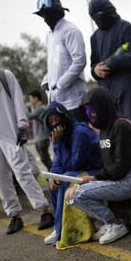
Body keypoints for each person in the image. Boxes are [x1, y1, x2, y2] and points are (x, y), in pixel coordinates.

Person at [0, 39, 54, 235]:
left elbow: (17, 102)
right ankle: (14, 215)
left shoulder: (5, 76)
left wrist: (22, 126)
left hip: (10, 132)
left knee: (23, 172)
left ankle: (44, 210)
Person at [72, 87, 131, 245]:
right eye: (88, 112)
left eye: (92, 111)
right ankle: (108, 223)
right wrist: (94, 179)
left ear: (102, 107)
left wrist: (94, 178)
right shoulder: (103, 131)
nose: (90, 115)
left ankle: (115, 223)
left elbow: (121, 167)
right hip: (116, 180)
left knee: (78, 194)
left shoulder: (120, 127)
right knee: (74, 193)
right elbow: (109, 167)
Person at [42, 102, 103, 246]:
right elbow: (57, 163)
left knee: (66, 178)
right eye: (51, 123)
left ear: (64, 117)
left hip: (96, 170)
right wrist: (53, 175)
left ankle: (60, 229)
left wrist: (57, 144)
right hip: (80, 170)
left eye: (57, 120)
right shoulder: (62, 136)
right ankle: (59, 226)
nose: (55, 125)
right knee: (54, 182)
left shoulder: (79, 133)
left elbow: (74, 163)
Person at [89, 0, 131, 129]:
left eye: (100, 15)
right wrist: (95, 71)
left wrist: (113, 62)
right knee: (116, 136)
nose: (98, 19)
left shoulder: (125, 28)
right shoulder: (95, 38)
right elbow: (93, 64)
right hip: (108, 97)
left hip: (129, 94)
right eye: (94, 17)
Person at [33, 0, 87, 122]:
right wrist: (47, 80)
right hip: (57, 102)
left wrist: (60, 84)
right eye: (43, 15)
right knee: (61, 140)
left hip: (74, 101)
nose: (46, 18)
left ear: (58, 12)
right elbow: (54, 64)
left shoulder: (70, 31)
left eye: (48, 14)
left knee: (78, 138)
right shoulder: (50, 36)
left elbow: (79, 61)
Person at [27, 90, 51, 170]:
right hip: (39, 137)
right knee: (44, 159)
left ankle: (55, 174)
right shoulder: (37, 108)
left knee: (45, 158)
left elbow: (29, 116)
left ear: (36, 98)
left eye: (30, 98)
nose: (29, 101)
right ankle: (53, 174)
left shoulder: (41, 108)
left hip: (42, 137)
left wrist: (20, 107)